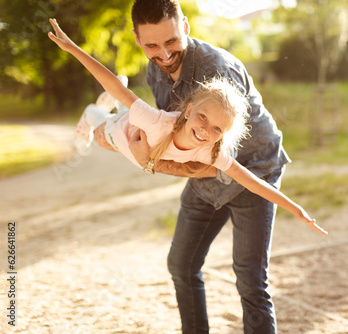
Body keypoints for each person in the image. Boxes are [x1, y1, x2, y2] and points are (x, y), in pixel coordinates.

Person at [90, 0, 314, 332]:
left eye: (171, 41)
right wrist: (118, 138)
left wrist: (148, 162)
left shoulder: (216, 72)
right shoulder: (156, 70)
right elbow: (170, 136)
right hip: (209, 173)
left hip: (254, 170)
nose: (164, 54)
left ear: (186, 28)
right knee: (181, 265)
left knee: (250, 279)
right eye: (152, 45)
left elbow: (216, 164)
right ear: (138, 39)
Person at [48, 17, 328, 232]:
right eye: (203, 118)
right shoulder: (159, 123)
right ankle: (92, 112)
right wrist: (72, 48)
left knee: (129, 109)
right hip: (121, 131)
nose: (206, 130)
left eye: (218, 129)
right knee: (103, 125)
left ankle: (114, 105)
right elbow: (111, 81)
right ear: (189, 109)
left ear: (224, 135)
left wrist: (296, 209)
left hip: (136, 126)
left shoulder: (211, 152)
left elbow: (254, 183)